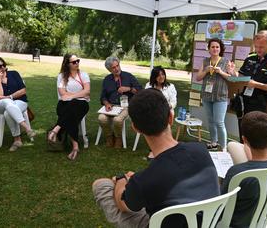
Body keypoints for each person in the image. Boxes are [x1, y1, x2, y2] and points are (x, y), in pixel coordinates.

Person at [92, 89, 220, 228]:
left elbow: (124, 206)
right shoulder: (201, 150)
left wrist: (122, 180)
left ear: (136, 128)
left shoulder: (144, 181)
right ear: (170, 118)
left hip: (159, 222)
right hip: (206, 222)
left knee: (100, 185)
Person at [221, 111, 267, 228]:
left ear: (244, 140)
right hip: (259, 221)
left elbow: (221, 203)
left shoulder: (238, 173)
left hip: (231, 224)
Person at [0, 56, 36, 152]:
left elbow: (23, 90)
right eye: (0, 66)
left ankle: (17, 140)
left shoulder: (14, 74)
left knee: (8, 112)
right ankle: (26, 127)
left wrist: (9, 97)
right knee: (5, 102)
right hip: (0, 105)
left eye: (3, 64)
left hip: (20, 102)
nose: (3, 67)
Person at [47, 54, 90, 161]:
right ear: (67, 64)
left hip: (81, 104)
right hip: (64, 104)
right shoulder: (61, 76)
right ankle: (75, 147)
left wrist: (71, 96)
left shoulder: (83, 75)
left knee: (73, 107)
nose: (77, 63)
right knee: (71, 112)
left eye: (78, 61)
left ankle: (56, 129)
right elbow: (62, 93)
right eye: (74, 62)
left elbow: (87, 91)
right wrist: (79, 94)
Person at [196, 38, 235, 150]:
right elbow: (198, 77)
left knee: (219, 122)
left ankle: (223, 148)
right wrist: (206, 71)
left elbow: (232, 78)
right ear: (209, 49)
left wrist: (221, 72)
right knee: (211, 121)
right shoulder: (205, 61)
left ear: (220, 49)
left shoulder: (226, 62)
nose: (215, 49)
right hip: (207, 96)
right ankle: (213, 142)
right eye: (212, 47)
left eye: (217, 47)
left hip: (220, 96)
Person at [235, 30, 267, 114]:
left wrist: (256, 85)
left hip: (264, 105)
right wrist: (233, 73)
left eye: (261, 47)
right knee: (242, 126)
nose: (258, 50)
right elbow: (241, 75)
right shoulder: (250, 57)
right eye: (256, 46)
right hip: (245, 102)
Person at [98, 56, 142, 148]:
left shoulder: (128, 76)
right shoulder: (107, 79)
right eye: (113, 68)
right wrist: (106, 103)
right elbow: (103, 96)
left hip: (125, 106)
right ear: (109, 69)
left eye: (117, 66)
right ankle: (109, 137)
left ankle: (118, 138)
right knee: (101, 118)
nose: (116, 69)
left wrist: (129, 88)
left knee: (117, 120)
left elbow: (140, 91)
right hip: (111, 106)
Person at [145, 66, 177, 160]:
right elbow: (146, 100)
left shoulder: (170, 87)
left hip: (166, 110)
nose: (161, 77)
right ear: (154, 77)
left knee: (161, 120)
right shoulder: (149, 86)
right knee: (152, 120)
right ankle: (153, 149)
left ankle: (164, 148)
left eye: (163, 74)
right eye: (158, 75)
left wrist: (165, 107)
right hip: (152, 110)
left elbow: (173, 102)